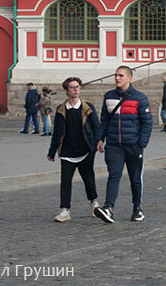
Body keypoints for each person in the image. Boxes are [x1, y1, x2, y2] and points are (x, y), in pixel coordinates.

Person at [94, 66, 152, 223]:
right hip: (114, 145)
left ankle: (137, 208)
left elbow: (147, 123)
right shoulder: (109, 96)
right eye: (116, 75)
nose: (117, 78)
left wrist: (141, 144)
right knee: (114, 175)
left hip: (133, 145)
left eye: (121, 75)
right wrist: (100, 138)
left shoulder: (140, 98)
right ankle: (108, 208)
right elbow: (104, 120)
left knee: (135, 178)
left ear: (129, 78)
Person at [47, 77, 100, 222]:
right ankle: (65, 210)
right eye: (72, 87)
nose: (76, 89)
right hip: (67, 151)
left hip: (85, 150)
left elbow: (96, 128)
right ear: (66, 90)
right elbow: (57, 133)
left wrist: (96, 145)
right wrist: (52, 152)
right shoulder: (61, 109)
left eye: (77, 87)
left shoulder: (88, 107)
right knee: (65, 181)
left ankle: (94, 203)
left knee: (88, 179)